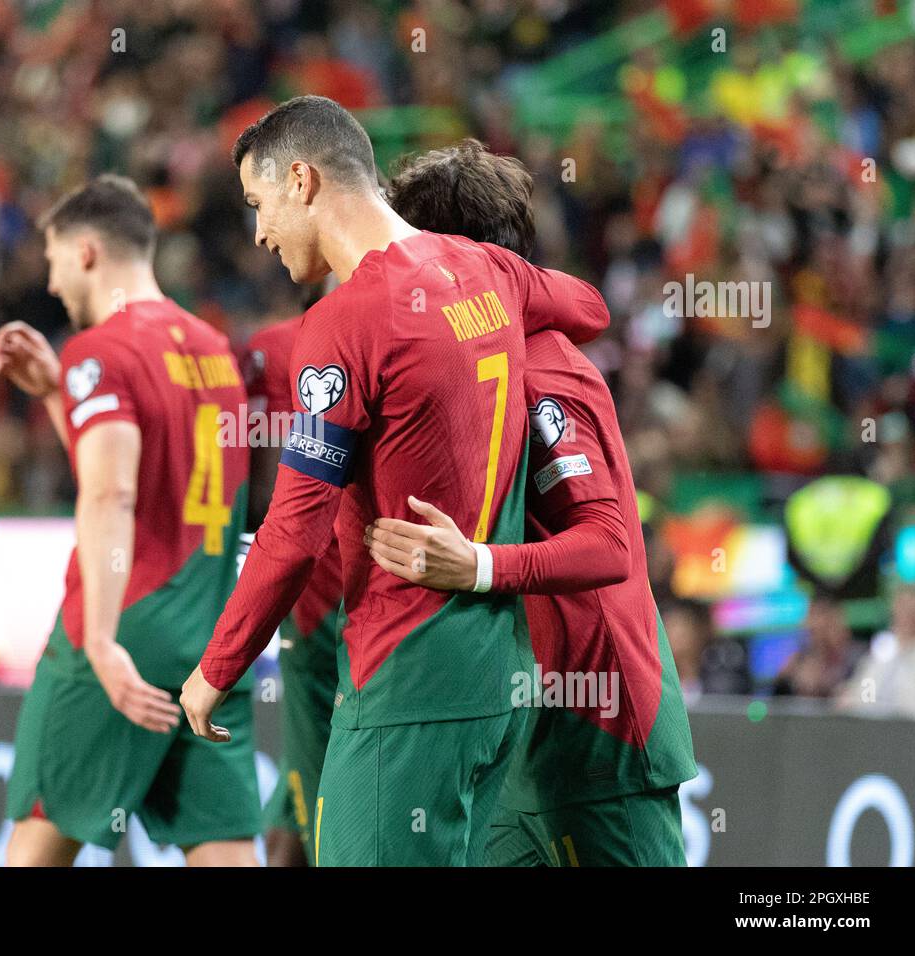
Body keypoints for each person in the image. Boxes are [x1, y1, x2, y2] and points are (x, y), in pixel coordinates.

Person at [179, 97, 607, 866]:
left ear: (301, 180)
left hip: (406, 682)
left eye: (258, 203)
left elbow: (295, 530)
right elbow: (589, 307)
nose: (259, 233)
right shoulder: (489, 271)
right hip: (497, 683)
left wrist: (215, 670)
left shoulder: (343, 324)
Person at [365, 139, 697, 866]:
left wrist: (479, 566)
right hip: (523, 729)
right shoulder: (484, 364)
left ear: (460, 259)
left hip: (599, 735)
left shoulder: (544, 373)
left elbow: (608, 543)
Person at [0, 175, 259, 866]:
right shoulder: (213, 349)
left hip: (123, 630)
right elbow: (155, 479)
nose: (51, 285)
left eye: (52, 260)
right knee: (224, 847)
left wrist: (103, 643)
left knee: (38, 841)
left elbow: (112, 495)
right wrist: (58, 392)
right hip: (210, 639)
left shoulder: (101, 353)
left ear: (86, 253)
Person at [240, 284, 345, 867]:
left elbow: (256, 486)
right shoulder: (414, 325)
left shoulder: (269, 349)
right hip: (390, 589)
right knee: (302, 801)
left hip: (317, 593)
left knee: (321, 794)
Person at [837, 583, 915, 717]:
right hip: (876, 727)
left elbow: (913, 704)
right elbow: (866, 693)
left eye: (912, 611)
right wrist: (852, 697)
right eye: (901, 610)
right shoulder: (883, 649)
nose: (906, 617)